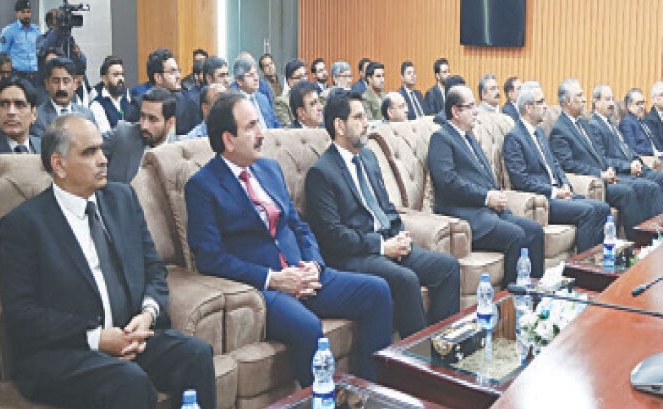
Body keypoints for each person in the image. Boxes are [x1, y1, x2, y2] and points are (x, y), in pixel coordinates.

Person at [0, 114, 217, 409]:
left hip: (129, 334)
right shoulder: (24, 225)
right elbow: (21, 315)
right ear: (59, 165)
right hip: (63, 353)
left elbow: (154, 270)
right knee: (130, 384)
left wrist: (146, 315)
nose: (104, 159)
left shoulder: (121, 198)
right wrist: (98, 338)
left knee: (195, 354)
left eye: (102, 148)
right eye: (91, 152)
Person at [185, 92, 393, 386]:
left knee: (377, 292)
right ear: (228, 140)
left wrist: (314, 264)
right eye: (251, 127)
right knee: (309, 327)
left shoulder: (269, 168)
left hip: (305, 273)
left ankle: (370, 389)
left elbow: (299, 225)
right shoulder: (202, 186)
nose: (262, 133)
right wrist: (273, 279)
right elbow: (210, 258)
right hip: (265, 289)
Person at [304, 89, 460, 337]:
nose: (367, 124)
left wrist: (400, 235)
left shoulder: (368, 157)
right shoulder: (322, 173)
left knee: (448, 267)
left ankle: (443, 346)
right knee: (406, 280)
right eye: (359, 118)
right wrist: (380, 246)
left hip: (387, 242)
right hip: (357, 255)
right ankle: (415, 361)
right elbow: (332, 235)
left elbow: (386, 207)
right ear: (339, 125)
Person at [428, 85, 544, 286]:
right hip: (466, 215)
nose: (476, 111)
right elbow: (448, 182)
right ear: (455, 111)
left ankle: (536, 295)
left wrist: (496, 195)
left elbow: (485, 178)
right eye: (471, 106)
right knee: (516, 236)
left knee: (534, 230)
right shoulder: (441, 138)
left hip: (489, 211)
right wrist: (485, 197)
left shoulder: (470, 138)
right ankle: (510, 301)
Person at [503, 81, 610, 252]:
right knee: (588, 211)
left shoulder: (539, 132)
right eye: (541, 102)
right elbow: (521, 180)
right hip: (543, 200)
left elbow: (555, 164)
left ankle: (597, 262)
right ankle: (582, 268)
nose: (546, 106)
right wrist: (554, 191)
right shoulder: (514, 138)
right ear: (528, 107)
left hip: (559, 192)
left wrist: (565, 183)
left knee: (602, 208)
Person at [549, 78, 662, 240]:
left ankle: (657, 237)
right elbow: (569, 165)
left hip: (605, 175)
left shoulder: (583, 123)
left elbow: (600, 155)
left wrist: (607, 169)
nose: (584, 99)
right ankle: (638, 243)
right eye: (579, 96)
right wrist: (599, 174)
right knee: (629, 191)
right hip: (591, 181)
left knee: (648, 186)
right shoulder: (560, 130)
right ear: (567, 101)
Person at [589, 84, 663, 211]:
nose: (612, 103)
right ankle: (655, 228)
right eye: (607, 99)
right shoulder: (594, 125)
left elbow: (627, 147)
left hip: (634, 167)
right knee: (651, 187)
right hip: (621, 172)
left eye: (612, 99)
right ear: (596, 102)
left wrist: (636, 160)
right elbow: (603, 159)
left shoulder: (610, 123)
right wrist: (628, 167)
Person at [103, 87, 176, 183]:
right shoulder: (123, 134)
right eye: (142, 116)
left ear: (170, 122)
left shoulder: (177, 151)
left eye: (152, 119)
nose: (144, 125)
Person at [128, 48, 202, 136]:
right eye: (172, 72)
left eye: (178, 71)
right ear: (158, 77)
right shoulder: (139, 105)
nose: (178, 76)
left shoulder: (188, 103)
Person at [32, 57, 95, 136]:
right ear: (47, 84)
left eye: (66, 81)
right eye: (55, 81)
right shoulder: (38, 118)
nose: (61, 87)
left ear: (75, 84)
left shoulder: (87, 115)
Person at [0, 0, 42, 81]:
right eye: (23, 12)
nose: (26, 15)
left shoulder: (36, 30)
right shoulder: (9, 31)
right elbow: (1, 55)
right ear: (17, 13)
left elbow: (40, 50)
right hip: (17, 75)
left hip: (35, 74)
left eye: (28, 12)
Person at [232, 56, 281, 130]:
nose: (256, 78)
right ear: (239, 81)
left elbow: (275, 123)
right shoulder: (234, 103)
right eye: (250, 75)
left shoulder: (262, 98)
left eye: (256, 73)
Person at [90, 56, 134, 134]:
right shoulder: (97, 105)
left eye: (122, 75)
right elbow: (107, 136)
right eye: (116, 75)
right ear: (104, 79)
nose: (121, 79)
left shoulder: (126, 98)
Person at [274, 59, 308, 127]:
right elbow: (289, 129)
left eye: (305, 75)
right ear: (289, 81)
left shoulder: (312, 98)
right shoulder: (281, 102)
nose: (304, 80)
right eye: (299, 77)